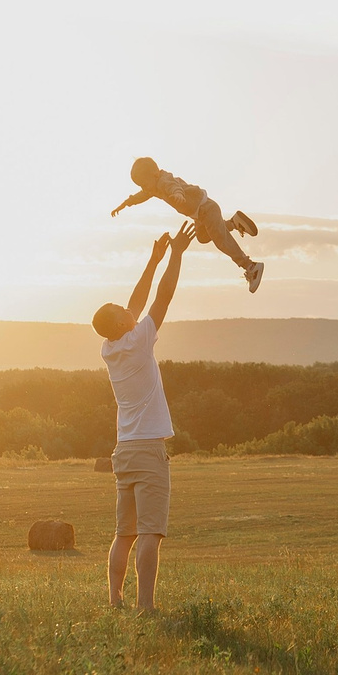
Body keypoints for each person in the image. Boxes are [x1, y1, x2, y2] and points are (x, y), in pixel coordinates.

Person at [93, 225, 194, 612]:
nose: (127, 310)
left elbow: (134, 306)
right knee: (151, 531)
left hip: (124, 449)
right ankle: (145, 605)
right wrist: (176, 255)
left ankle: (115, 598)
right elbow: (162, 299)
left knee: (125, 532)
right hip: (149, 448)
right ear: (122, 324)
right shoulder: (138, 340)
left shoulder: (110, 347)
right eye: (121, 312)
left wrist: (151, 261)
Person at [109, 157, 265, 293]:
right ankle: (234, 223)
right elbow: (142, 196)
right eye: (141, 186)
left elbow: (173, 186)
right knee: (203, 237)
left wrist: (178, 194)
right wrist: (125, 204)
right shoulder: (153, 186)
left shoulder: (163, 181)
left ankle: (250, 266)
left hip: (206, 209)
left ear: (154, 174)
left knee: (220, 240)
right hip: (199, 215)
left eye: (144, 184)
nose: (144, 189)